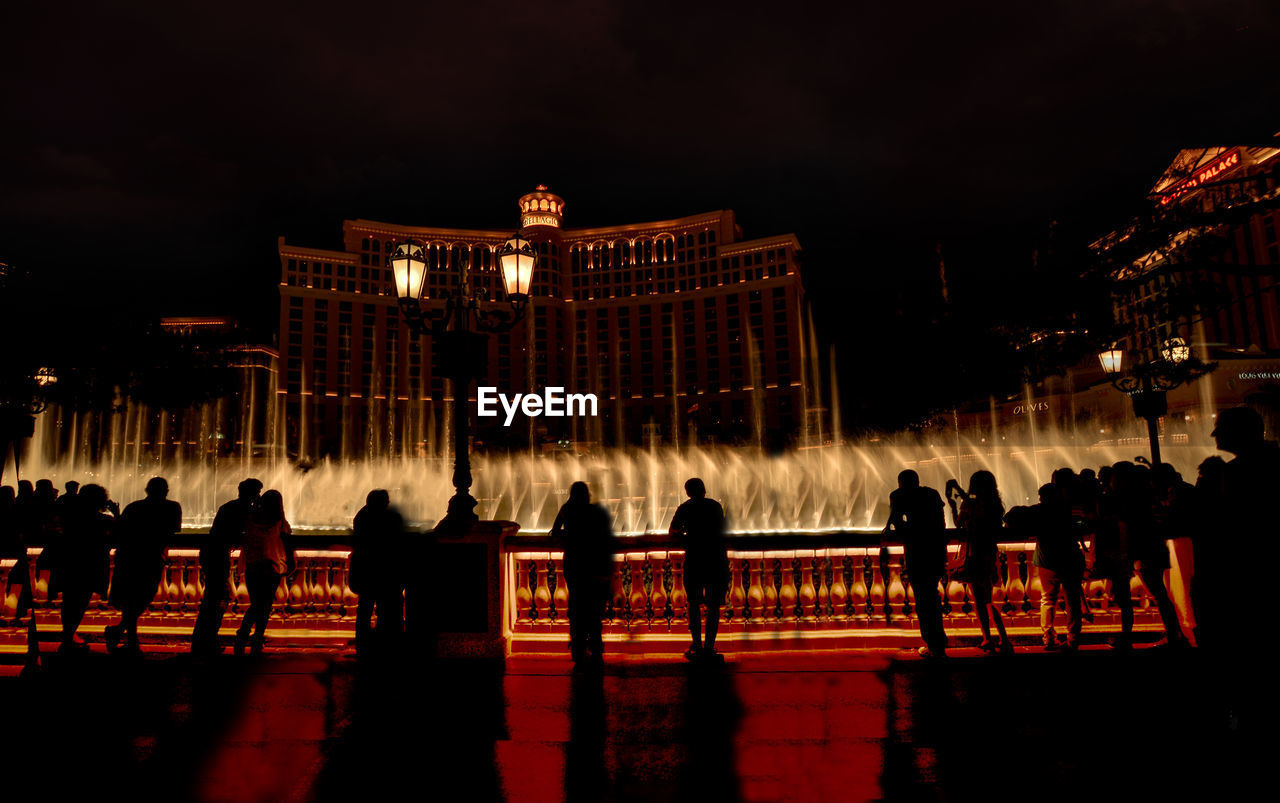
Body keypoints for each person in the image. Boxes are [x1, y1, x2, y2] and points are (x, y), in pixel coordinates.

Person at [105, 477, 182, 656]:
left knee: (134, 600)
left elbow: (122, 530)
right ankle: (129, 639)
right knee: (142, 597)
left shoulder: (134, 507)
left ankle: (120, 633)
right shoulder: (172, 507)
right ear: (166, 491)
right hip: (151, 557)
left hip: (130, 557)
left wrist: (117, 516)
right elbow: (174, 531)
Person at [882, 469, 948, 658]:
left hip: (916, 552)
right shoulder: (932, 494)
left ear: (901, 483)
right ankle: (939, 642)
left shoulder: (898, 496)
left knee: (922, 600)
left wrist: (906, 531)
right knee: (933, 598)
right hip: (934, 550)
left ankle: (932, 643)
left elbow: (896, 522)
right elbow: (941, 523)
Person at [192, 478, 261, 656]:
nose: (258, 496)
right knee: (217, 598)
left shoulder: (229, 506)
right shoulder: (244, 509)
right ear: (252, 494)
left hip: (211, 552)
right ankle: (206, 642)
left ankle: (203, 640)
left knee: (213, 598)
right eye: (257, 492)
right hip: (216, 555)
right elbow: (253, 529)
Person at [551, 481, 616, 667]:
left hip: (573, 562)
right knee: (594, 609)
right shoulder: (594, 510)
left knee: (576, 606)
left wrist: (568, 536)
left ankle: (578, 651)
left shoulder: (566, 509)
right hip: (592, 563)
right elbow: (604, 535)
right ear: (587, 494)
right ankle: (596, 650)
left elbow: (555, 532)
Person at [946, 470, 1011, 654]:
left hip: (973, 554)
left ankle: (994, 639)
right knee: (986, 600)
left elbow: (959, 524)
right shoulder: (995, 505)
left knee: (982, 601)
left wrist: (952, 505)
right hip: (989, 553)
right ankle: (996, 639)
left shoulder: (970, 504)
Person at [50, 484, 115, 654]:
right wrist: (117, 513)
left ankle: (68, 636)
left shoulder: (70, 519)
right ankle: (68, 638)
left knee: (70, 601)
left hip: (70, 562)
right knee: (79, 602)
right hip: (90, 564)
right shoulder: (103, 521)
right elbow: (120, 534)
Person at [669, 478, 728, 663]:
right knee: (713, 605)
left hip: (694, 559)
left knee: (693, 603)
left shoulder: (685, 508)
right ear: (704, 490)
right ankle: (709, 646)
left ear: (688, 492)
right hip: (715, 559)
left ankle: (696, 644)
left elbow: (673, 531)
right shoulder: (715, 507)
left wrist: (687, 533)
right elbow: (723, 529)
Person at [1022, 483, 1084, 651]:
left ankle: (1048, 638)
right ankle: (1073, 639)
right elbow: (1082, 526)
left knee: (1048, 599)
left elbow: (1011, 517)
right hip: (1070, 557)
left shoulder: (1039, 511)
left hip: (1047, 560)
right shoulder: (1069, 510)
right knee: (1072, 600)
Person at [234, 490, 293, 656]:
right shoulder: (278, 522)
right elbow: (287, 541)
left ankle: (246, 634)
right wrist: (290, 562)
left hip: (253, 565)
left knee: (257, 603)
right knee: (264, 605)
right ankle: (253, 635)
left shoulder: (251, 519)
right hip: (271, 567)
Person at [350, 489, 406, 657]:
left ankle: (363, 645)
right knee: (387, 610)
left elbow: (359, 543)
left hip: (367, 573)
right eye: (386, 500)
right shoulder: (392, 518)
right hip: (387, 573)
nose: (388, 502)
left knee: (365, 610)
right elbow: (398, 544)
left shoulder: (361, 517)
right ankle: (386, 646)